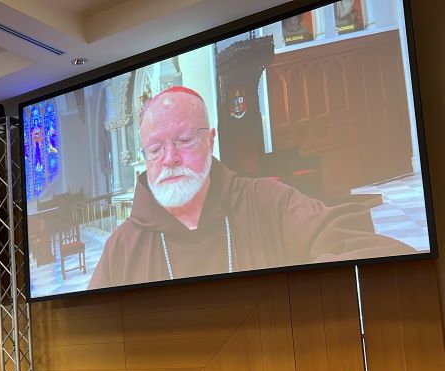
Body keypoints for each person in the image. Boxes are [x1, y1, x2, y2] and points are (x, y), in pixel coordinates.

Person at [87, 86, 415, 290]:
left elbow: (361, 246)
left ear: (210, 140)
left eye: (185, 140)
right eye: (156, 149)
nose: (170, 158)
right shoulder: (124, 246)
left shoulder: (267, 202)